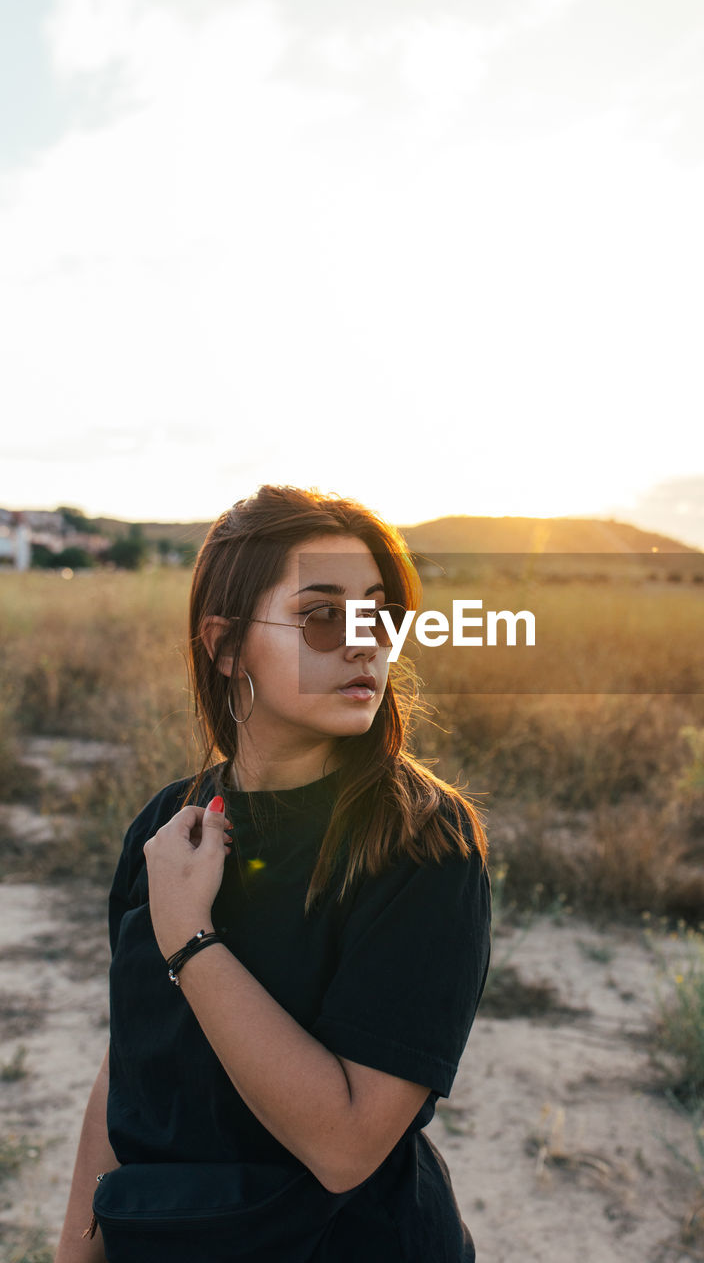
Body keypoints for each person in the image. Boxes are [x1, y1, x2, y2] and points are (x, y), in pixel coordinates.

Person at [55, 484, 491, 1263]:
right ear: (223, 646)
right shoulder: (167, 829)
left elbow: (347, 1144)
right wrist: (75, 1253)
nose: (364, 643)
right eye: (322, 615)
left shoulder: (422, 841)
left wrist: (192, 941)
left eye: (379, 614)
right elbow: (130, 1067)